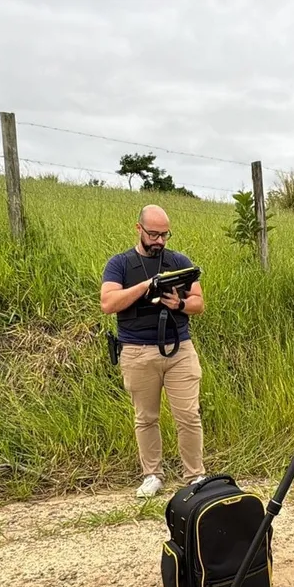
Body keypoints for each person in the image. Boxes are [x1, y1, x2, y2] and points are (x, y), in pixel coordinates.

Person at [101, 204, 206, 498]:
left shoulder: (180, 262)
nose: (159, 240)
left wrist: (179, 304)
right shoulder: (119, 264)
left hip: (179, 349)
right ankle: (152, 475)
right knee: (146, 417)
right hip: (136, 351)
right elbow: (108, 303)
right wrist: (148, 286)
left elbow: (199, 302)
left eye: (164, 235)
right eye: (153, 234)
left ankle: (195, 477)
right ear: (139, 230)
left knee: (188, 414)